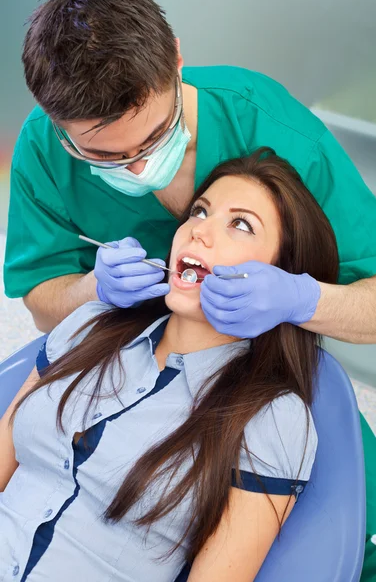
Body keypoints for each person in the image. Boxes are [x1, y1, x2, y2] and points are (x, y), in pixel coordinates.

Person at [2, 0, 376, 579]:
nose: (137, 170)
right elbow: (41, 297)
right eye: (106, 158)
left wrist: (303, 298)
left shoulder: (270, 128)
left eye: (154, 139)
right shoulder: (81, 323)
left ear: (177, 59)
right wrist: (92, 291)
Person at [0, 149, 337, 581]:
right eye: (200, 211)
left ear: (281, 274)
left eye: (240, 224)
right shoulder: (89, 325)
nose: (200, 232)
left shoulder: (271, 419)